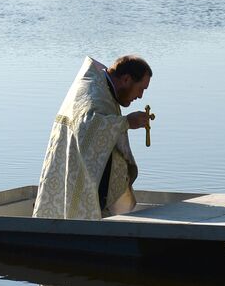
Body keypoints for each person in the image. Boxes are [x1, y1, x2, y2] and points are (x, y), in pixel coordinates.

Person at [32, 55, 152, 219]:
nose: (140, 96)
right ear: (126, 79)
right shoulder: (94, 94)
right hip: (77, 170)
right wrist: (125, 122)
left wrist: (124, 123)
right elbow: (87, 126)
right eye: (141, 89)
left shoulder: (102, 88)